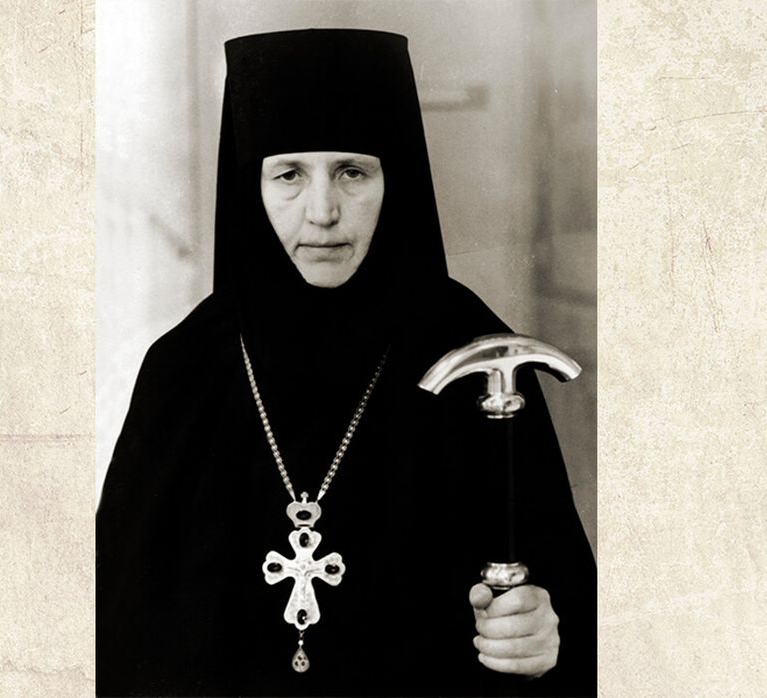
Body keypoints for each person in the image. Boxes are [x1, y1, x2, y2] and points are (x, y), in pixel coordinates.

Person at [97, 29, 595, 696]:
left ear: (396, 179)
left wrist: (542, 636)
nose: (323, 212)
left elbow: (562, 609)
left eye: (352, 172)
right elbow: (115, 632)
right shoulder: (184, 368)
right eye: (289, 175)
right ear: (249, 185)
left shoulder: (477, 356)